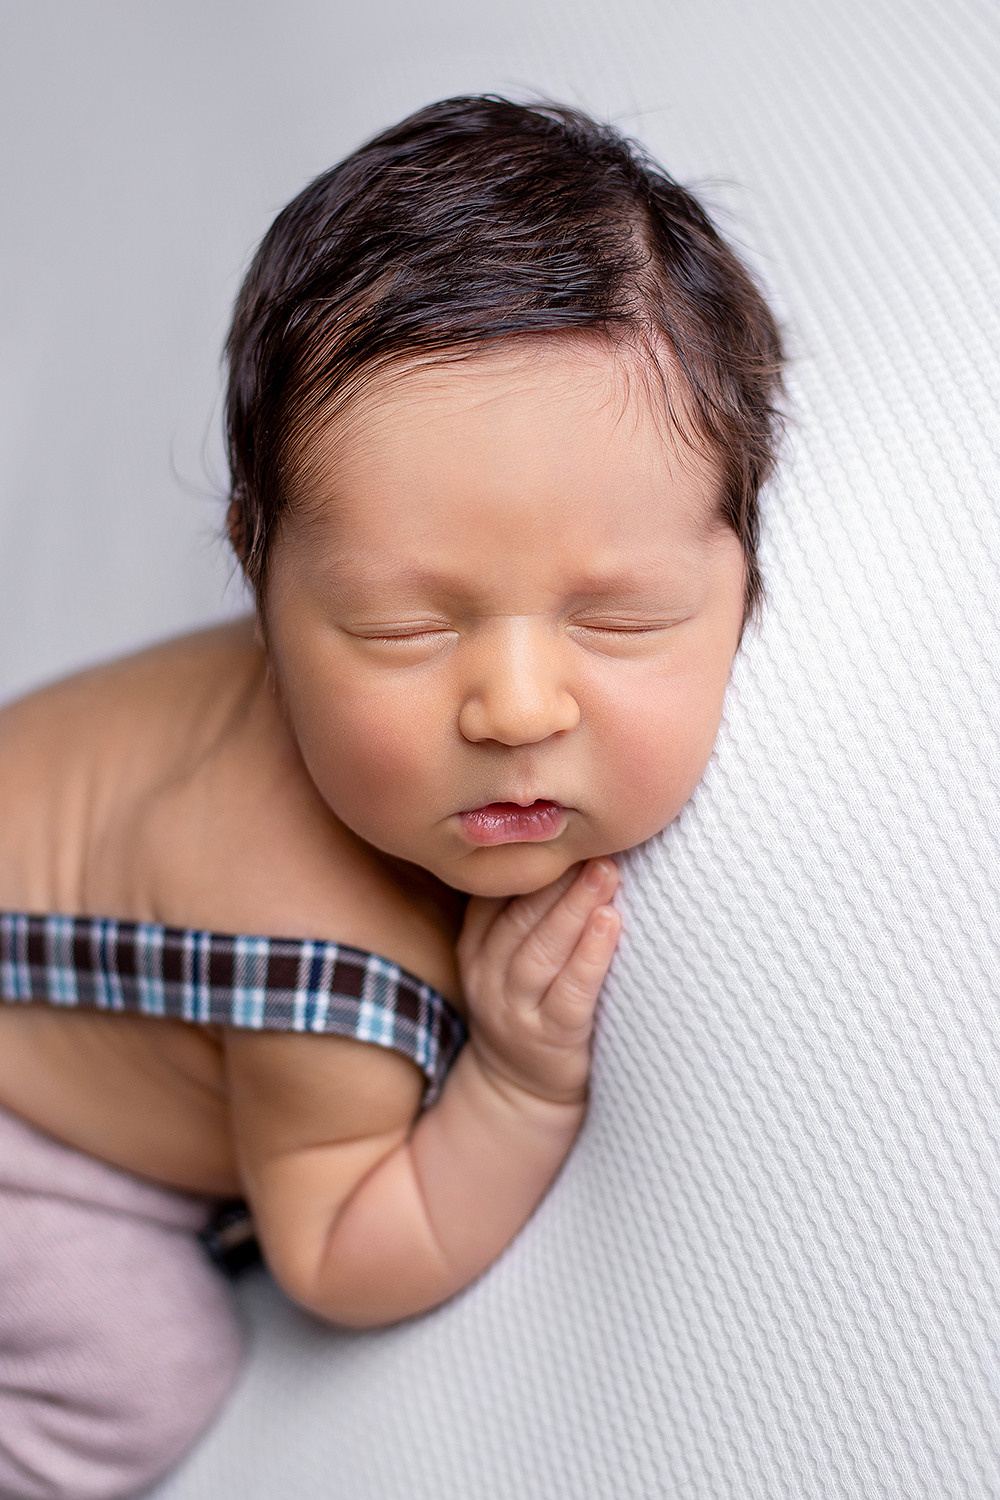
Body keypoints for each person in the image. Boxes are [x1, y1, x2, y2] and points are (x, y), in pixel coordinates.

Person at [0, 96, 784, 1498]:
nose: (517, 706)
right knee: (147, 1373)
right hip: (24, 1135)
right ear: (261, 573)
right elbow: (339, 1252)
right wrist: (520, 1085)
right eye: (403, 631)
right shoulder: (313, 933)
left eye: (621, 619)